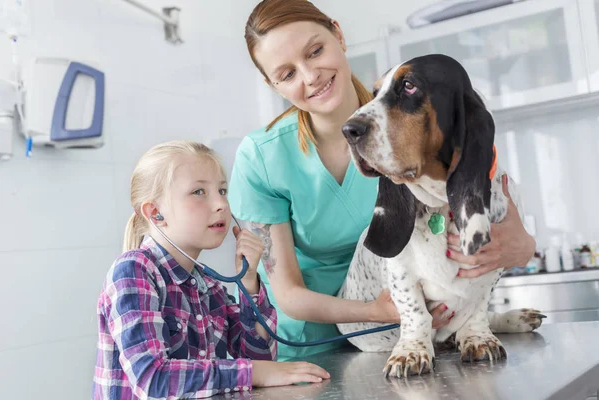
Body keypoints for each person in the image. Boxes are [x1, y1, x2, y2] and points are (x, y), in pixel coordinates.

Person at [228, 0, 536, 361]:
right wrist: (381, 312)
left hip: (425, 335)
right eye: (287, 74)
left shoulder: (415, 118)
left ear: (338, 35)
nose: (310, 76)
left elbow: (478, 208)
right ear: (272, 85)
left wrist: (522, 247)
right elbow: (287, 293)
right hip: (307, 350)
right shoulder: (261, 159)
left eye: (315, 51)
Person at [92, 140, 330, 400]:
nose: (221, 204)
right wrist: (255, 373)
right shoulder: (133, 271)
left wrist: (249, 281)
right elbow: (154, 380)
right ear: (156, 213)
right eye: (199, 192)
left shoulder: (209, 286)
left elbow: (261, 359)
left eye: (223, 190)